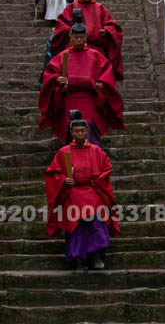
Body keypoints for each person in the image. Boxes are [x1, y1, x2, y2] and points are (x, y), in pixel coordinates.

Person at [45, 110, 119, 271]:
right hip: (73, 193)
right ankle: (79, 260)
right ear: (71, 133)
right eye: (76, 131)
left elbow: (107, 168)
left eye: (82, 131)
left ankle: (98, 256)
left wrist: (97, 180)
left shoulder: (96, 151)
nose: (79, 134)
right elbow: (53, 172)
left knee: (97, 219)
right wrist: (64, 179)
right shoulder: (64, 152)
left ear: (87, 132)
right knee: (76, 224)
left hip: (92, 190)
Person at [39, 18, 124, 145]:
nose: (78, 40)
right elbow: (50, 73)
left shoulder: (95, 55)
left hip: (89, 99)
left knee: (90, 132)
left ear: (86, 37)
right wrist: (57, 79)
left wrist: (102, 82)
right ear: (70, 37)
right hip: (69, 98)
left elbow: (107, 72)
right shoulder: (62, 56)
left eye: (81, 37)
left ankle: (92, 157)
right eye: (75, 37)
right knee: (70, 130)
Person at [50, 0, 123, 79]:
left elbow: (111, 25)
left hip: (96, 46)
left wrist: (106, 30)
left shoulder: (100, 8)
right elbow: (62, 24)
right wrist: (72, 33)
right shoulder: (72, 7)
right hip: (74, 44)